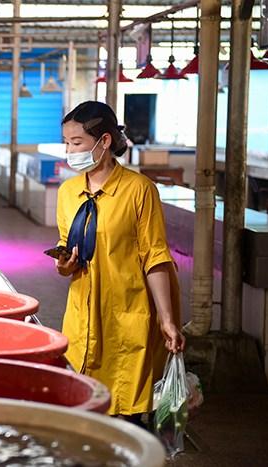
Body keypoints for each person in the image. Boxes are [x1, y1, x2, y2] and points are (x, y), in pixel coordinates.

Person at [54, 101, 185, 422]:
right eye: (66, 143)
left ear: (105, 141)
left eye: (77, 142)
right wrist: (64, 264)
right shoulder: (68, 192)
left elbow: (155, 256)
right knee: (84, 409)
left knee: (128, 414)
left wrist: (167, 319)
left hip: (128, 316)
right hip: (82, 314)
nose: (70, 151)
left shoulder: (139, 190)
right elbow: (66, 243)